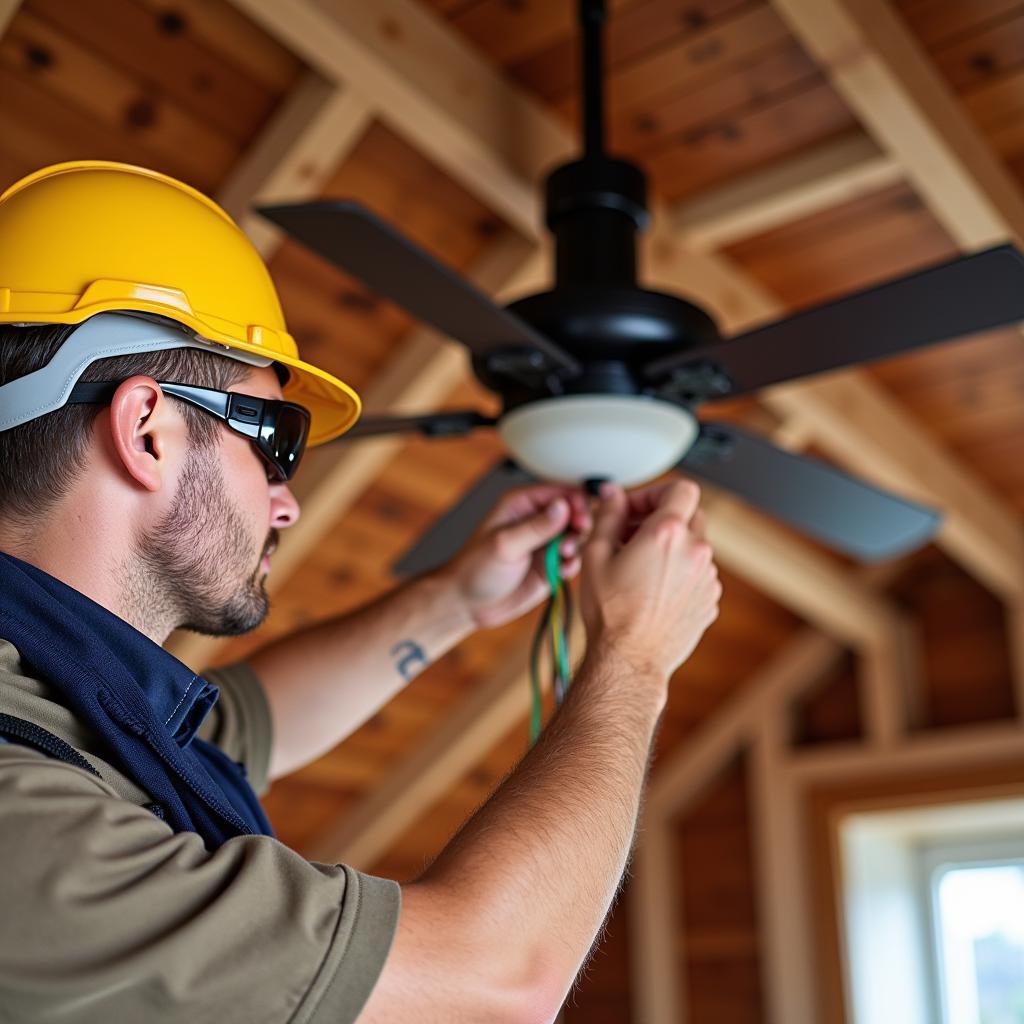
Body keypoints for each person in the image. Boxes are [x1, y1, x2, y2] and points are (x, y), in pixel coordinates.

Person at [0, 161, 721, 1023]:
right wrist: (636, 655)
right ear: (147, 431)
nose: (287, 500)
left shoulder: (59, 704)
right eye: (274, 442)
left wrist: (461, 598)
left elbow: (245, 724)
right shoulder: (24, 822)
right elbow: (490, 981)